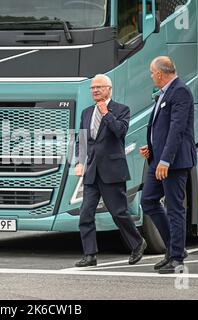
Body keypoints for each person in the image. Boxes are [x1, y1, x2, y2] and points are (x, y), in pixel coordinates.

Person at [74, 74, 147, 267]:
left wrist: (106, 113)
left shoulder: (121, 110)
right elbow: (81, 140)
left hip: (112, 171)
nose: (95, 90)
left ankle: (137, 243)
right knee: (85, 214)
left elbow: (120, 132)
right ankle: (90, 255)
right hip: (92, 172)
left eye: (99, 87)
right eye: (92, 88)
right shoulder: (86, 112)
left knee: (119, 213)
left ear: (109, 89)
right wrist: (79, 162)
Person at [139, 56, 196, 274]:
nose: (151, 76)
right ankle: (174, 248)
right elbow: (161, 129)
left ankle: (176, 257)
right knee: (148, 200)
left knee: (174, 208)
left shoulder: (180, 91)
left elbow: (177, 129)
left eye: (152, 73)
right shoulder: (165, 93)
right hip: (158, 158)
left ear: (161, 73)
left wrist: (165, 160)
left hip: (173, 162)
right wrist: (151, 149)